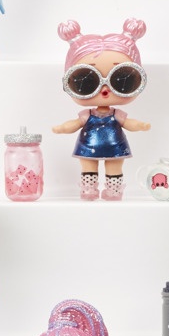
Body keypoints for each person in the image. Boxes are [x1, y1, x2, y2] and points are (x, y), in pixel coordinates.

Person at [52, 18, 150, 200]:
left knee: (114, 167)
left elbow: (128, 123)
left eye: (121, 79)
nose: (105, 89)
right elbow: (75, 123)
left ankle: (113, 191)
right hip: (88, 146)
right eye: (88, 81)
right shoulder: (87, 114)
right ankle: (89, 189)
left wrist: (140, 125)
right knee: (88, 167)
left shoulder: (116, 114)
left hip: (115, 146)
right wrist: (62, 128)